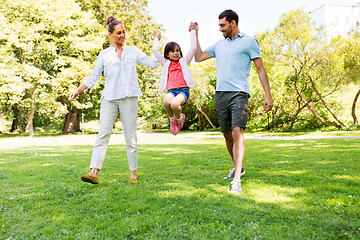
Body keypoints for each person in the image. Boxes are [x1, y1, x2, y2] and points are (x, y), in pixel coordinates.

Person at [190, 9, 273, 194]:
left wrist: (268, 95)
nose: (220, 29)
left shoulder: (249, 42)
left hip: (239, 93)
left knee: (237, 131)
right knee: (227, 134)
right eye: (219, 25)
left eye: (222, 25)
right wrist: (195, 34)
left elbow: (260, 69)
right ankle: (239, 167)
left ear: (233, 23)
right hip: (221, 94)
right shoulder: (219, 45)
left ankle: (236, 181)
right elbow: (198, 57)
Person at [70, 16, 158, 184]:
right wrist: (78, 90)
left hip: (129, 98)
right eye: (119, 33)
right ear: (110, 34)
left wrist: (156, 43)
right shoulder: (104, 55)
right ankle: (93, 172)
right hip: (109, 99)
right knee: (103, 134)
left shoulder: (133, 51)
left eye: (124, 32)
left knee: (130, 137)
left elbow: (153, 64)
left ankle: (133, 175)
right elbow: (92, 77)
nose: (123, 35)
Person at [152, 29, 196, 135]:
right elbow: (154, 51)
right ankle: (172, 120)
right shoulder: (166, 63)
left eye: (177, 50)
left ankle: (180, 119)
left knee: (174, 104)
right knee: (166, 101)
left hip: (183, 91)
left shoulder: (184, 61)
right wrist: (156, 39)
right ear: (167, 54)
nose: (176, 53)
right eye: (172, 51)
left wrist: (192, 32)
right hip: (171, 91)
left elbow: (193, 48)